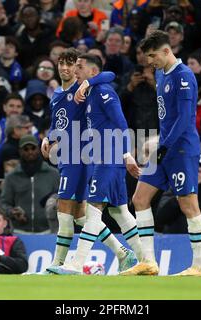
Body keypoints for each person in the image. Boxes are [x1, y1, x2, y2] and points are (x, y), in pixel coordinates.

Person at [40, 48, 139, 273]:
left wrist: (87, 82)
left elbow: (109, 75)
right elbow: (59, 124)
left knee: (65, 210)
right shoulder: (56, 95)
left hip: (82, 156)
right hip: (66, 156)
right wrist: (48, 137)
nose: (66, 68)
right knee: (80, 215)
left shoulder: (84, 88)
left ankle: (58, 264)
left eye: (71, 64)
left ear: (77, 67)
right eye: (62, 63)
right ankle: (124, 253)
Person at [120, 30, 201, 276]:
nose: (150, 61)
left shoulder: (184, 77)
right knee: (139, 199)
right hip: (164, 148)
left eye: (153, 55)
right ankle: (148, 262)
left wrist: (164, 147)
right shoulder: (160, 74)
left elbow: (184, 119)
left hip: (180, 150)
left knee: (188, 205)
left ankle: (199, 266)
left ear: (167, 51)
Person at [2, 134, 59, 233]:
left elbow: (62, 200)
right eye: (26, 149)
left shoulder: (53, 174)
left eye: (33, 148)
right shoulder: (11, 177)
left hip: (48, 231)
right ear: (20, 151)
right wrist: (12, 212)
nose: (30, 152)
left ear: (38, 149)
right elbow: (4, 203)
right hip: (19, 232)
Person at [156, 155, 201, 234]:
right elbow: (160, 219)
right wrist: (178, 198)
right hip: (175, 243)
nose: (195, 175)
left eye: (199, 171)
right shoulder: (173, 191)